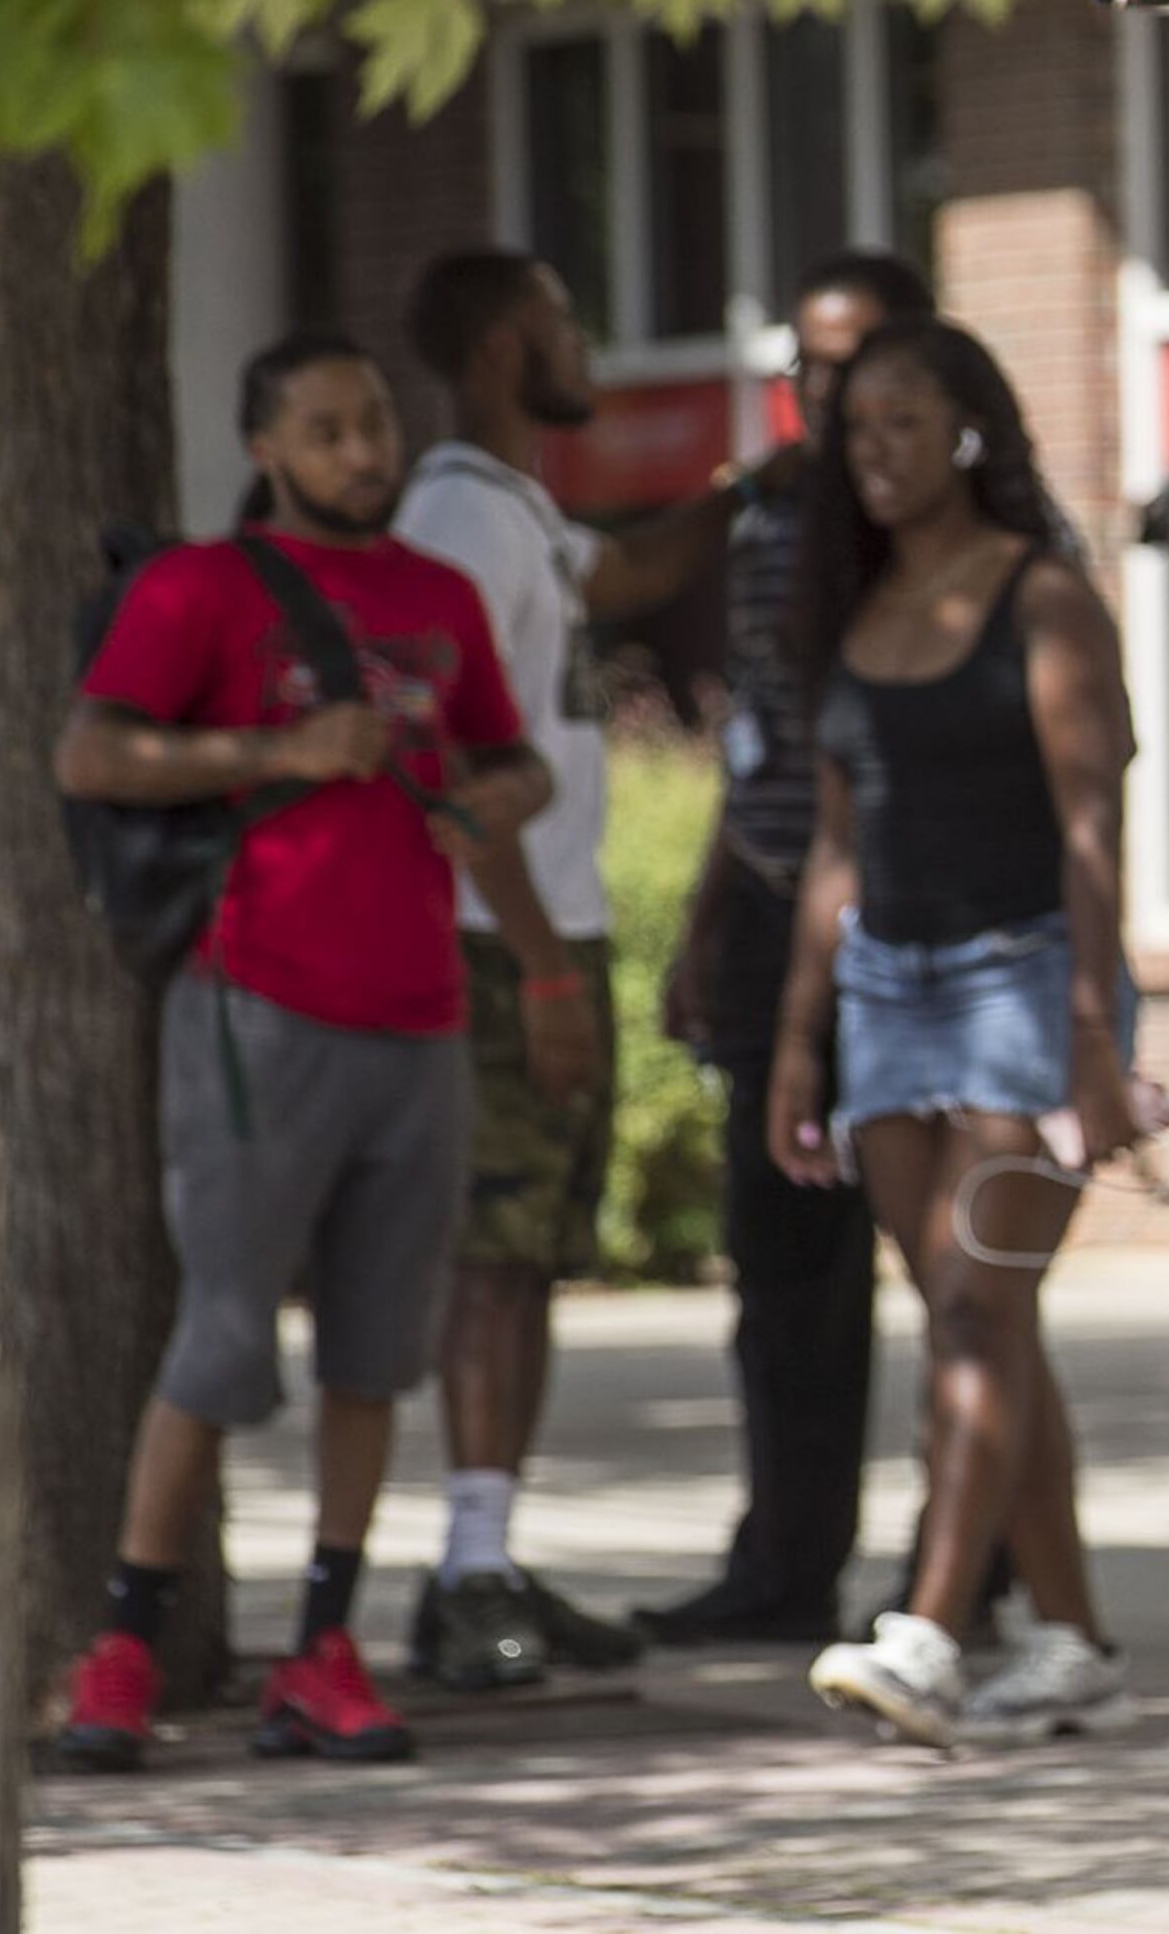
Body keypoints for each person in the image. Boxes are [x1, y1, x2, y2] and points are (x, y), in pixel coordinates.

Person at [51, 333, 558, 1771]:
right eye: (328, 429)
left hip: (421, 1021)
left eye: (376, 423)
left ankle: (325, 1648)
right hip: (255, 1006)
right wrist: (276, 755)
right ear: (268, 446)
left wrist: (489, 801)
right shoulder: (199, 588)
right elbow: (91, 757)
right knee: (219, 1335)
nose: (363, 451)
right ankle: (126, 1647)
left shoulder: (442, 596)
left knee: (373, 1355)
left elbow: (511, 759)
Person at [774, 316, 1151, 1747]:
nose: (874, 452)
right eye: (855, 429)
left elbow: (1092, 822)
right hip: (885, 999)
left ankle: (929, 1633)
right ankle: (1073, 1640)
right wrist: (801, 1043)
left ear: (969, 433)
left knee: (976, 1301)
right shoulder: (852, 614)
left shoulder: (1044, 599)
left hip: (1019, 984)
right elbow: (832, 850)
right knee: (976, 1316)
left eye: (904, 425)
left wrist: (1094, 1034)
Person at [392, 249, 736, 1689]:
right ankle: (467, 1576)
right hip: (493, 946)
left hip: (550, 932)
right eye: (558, 318)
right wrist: (536, 963)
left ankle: (494, 1550)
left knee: (533, 1259)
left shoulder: (522, 510)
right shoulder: (458, 521)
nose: (581, 338)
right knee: (492, 1255)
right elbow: (453, 763)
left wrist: (763, 485)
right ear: (493, 349)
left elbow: (642, 566)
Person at [637, 250, 935, 1649]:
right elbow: (752, 739)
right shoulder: (762, 525)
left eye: (860, 361)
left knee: (955, 1261)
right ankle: (785, 1562)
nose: (832, 393)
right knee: (781, 1256)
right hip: (770, 903)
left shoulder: (960, 530)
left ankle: (969, 1563)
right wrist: (707, 921)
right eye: (811, 367)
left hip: (924, 910)